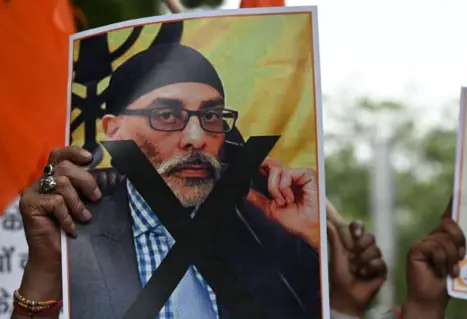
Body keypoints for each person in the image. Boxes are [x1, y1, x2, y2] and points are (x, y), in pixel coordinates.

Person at [13, 43, 387, 319]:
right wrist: (45, 268)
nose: (196, 137)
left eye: (211, 117)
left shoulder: (269, 234)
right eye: (166, 114)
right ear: (115, 131)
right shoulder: (77, 231)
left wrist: (331, 283)